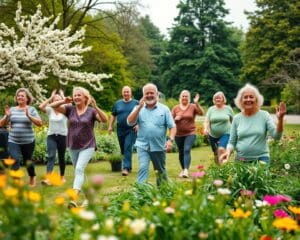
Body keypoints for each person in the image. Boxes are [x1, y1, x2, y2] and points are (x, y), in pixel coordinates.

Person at [50, 86, 108, 201]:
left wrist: (95, 106)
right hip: (73, 145)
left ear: (85, 98)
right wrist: (63, 101)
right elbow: (52, 106)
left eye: (79, 95)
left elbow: (105, 119)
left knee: (79, 169)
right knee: (79, 170)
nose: (76, 97)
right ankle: (89, 195)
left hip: (88, 145)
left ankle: (74, 194)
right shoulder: (69, 109)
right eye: (75, 95)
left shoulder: (91, 111)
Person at [219, 83, 286, 164]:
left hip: (261, 159)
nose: (248, 99)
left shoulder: (264, 115)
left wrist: (281, 119)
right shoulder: (237, 118)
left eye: (251, 97)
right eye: (245, 97)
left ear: (256, 100)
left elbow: (276, 137)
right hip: (240, 161)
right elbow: (232, 142)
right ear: (241, 101)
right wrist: (228, 152)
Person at [127, 83, 176, 186]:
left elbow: (172, 126)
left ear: (157, 94)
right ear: (143, 95)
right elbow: (130, 122)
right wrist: (139, 107)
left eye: (151, 93)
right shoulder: (138, 108)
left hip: (159, 146)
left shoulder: (164, 109)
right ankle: (140, 193)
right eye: (146, 93)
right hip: (142, 145)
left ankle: (163, 192)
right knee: (143, 168)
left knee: (160, 171)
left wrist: (170, 140)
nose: (149, 95)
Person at [0, 88, 42, 187]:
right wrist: (6, 116)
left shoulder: (31, 109)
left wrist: (29, 116)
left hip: (28, 141)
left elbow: (39, 123)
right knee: (15, 159)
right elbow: (2, 124)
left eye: (22, 96)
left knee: (28, 161)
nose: (20, 97)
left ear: (27, 98)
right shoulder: (12, 110)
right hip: (13, 140)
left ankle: (32, 176)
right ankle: (17, 182)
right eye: (18, 96)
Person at [171, 90, 204, 178]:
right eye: (183, 96)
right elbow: (170, 121)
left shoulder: (193, 106)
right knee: (181, 152)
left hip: (190, 132)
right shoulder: (175, 108)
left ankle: (186, 170)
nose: (184, 98)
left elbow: (201, 113)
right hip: (178, 134)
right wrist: (175, 119)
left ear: (189, 98)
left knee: (186, 149)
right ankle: (183, 169)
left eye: (186, 96)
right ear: (180, 97)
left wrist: (197, 103)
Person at [39, 89, 68, 185]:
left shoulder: (65, 109)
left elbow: (70, 105)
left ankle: (62, 177)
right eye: (55, 99)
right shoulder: (50, 109)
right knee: (51, 156)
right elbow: (41, 106)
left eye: (58, 99)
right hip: (51, 136)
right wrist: (50, 97)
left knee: (61, 157)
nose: (57, 100)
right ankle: (48, 178)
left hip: (62, 136)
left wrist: (63, 96)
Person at [108, 86, 139, 176]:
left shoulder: (136, 103)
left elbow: (141, 114)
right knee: (123, 149)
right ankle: (128, 166)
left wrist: (138, 124)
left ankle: (125, 168)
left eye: (127, 92)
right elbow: (113, 115)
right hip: (120, 129)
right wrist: (110, 126)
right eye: (124, 92)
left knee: (127, 146)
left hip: (131, 129)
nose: (126, 93)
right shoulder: (117, 103)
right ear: (122, 93)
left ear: (131, 93)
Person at [204, 91, 234, 165]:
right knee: (216, 153)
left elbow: (233, 121)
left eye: (219, 98)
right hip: (212, 135)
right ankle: (218, 169)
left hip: (226, 133)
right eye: (216, 98)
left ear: (223, 99)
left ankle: (223, 167)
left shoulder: (228, 109)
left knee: (221, 149)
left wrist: (235, 132)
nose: (218, 99)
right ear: (214, 100)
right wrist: (206, 128)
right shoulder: (211, 109)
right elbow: (207, 121)